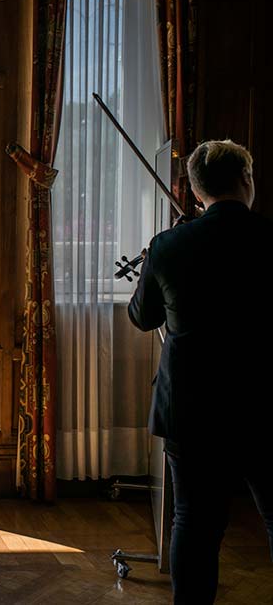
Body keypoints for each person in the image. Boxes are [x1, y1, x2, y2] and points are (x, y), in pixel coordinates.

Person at [127, 139, 273, 604]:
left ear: (195, 193)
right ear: (247, 180)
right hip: (264, 402)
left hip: (192, 406)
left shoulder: (170, 246)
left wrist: (156, 261)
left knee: (193, 520)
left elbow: (143, 317)